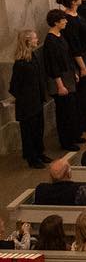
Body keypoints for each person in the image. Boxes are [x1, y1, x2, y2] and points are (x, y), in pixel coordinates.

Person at [9, 30, 48, 169]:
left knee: (38, 129)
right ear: (28, 41)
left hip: (37, 101)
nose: (37, 40)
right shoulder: (20, 63)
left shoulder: (33, 56)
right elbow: (14, 87)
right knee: (29, 132)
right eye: (35, 38)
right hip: (27, 105)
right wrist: (25, 98)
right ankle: (32, 158)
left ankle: (40, 153)